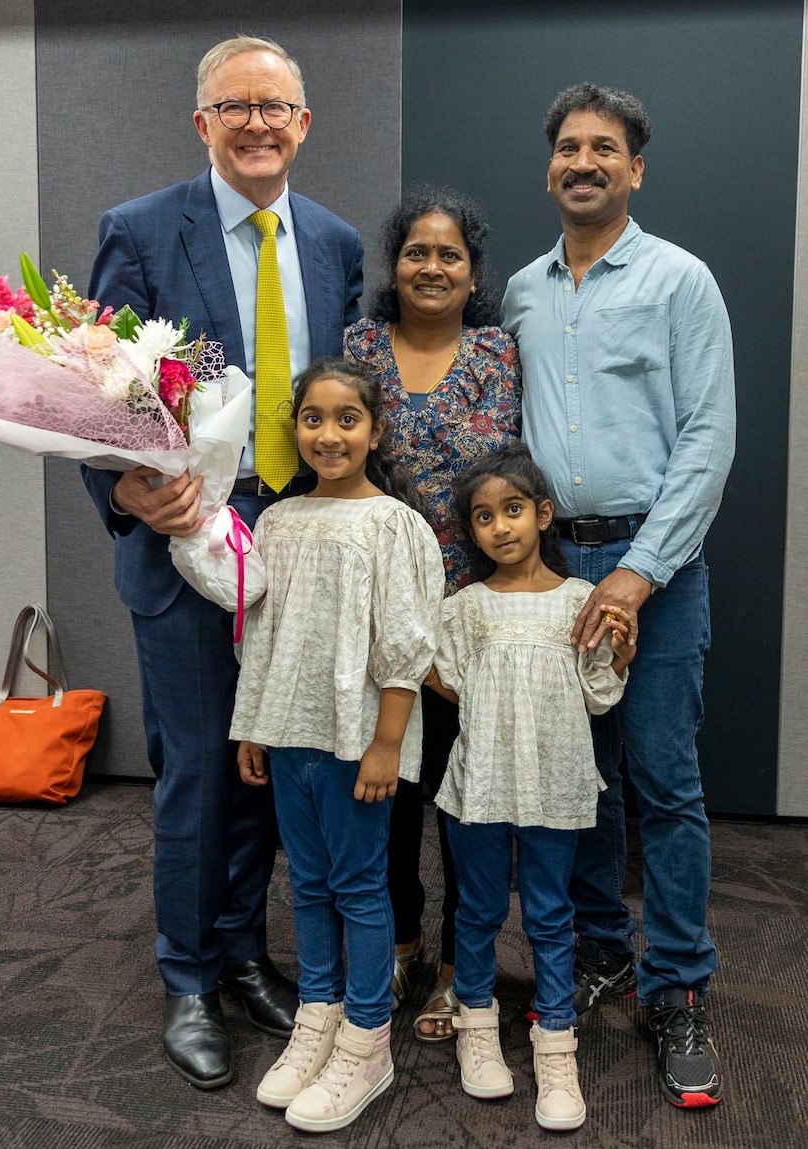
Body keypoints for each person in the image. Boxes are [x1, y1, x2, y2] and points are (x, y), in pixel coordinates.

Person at [81, 36, 364, 1090]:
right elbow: (91, 387)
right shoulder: (143, 229)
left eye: (276, 106)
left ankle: (246, 955)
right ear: (202, 124)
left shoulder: (334, 243)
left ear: (303, 124)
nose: (257, 123)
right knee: (199, 772)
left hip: (295, 554)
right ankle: (189, 978)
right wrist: (121, 489)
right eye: (234, 106)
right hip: (184, 544)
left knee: (268, 771)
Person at [501, 82, 736, 1108]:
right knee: (579, 779)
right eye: (566, 147)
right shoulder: (519, 289)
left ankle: (679, 988)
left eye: (603, 148)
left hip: (658, 567)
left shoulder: (681, 281)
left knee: (662, 783)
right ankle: (603, 948)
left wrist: (638, 576)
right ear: (549, 167)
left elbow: (708, 440)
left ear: (634, 169)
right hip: (552, 572)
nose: (582, 161)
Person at [233, 358, 445, 1132]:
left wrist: (389, 742)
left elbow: (406, 644)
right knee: (311, 882)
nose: (329, 433)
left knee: (360, 886)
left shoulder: (394, 524)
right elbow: (261, 633)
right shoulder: (280, 522)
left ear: (375, 429)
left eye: (346, 419)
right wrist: (254, 723)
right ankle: (317, 1013)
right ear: (296, 430)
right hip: (290, 733)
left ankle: (367, 1037)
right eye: (313, 418)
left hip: (359, 742)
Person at [344, 186, 520, 1041]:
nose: (433, 266)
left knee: (460, 802)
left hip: (465, 620)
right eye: (417, 250)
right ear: (395, 263)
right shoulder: (358, 348)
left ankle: (459, 968)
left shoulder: (498, 353)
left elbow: (511, 479)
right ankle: (403, 943)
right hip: (376, 614)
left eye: (451, 254)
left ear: (473, 272)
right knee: (387, 794)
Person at [426, 444, 634, 1131]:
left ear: (544, 513)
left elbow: (598, 695)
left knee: (549, 916)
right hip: (480, 785)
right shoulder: (465, 608)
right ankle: (478, 1029)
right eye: (483, 517)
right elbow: (449, 682)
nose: (500, 526)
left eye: (513, 509)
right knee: (479, 910)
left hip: (555, 785)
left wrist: (620, 653)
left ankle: (555, 1050)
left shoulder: (582, 602)